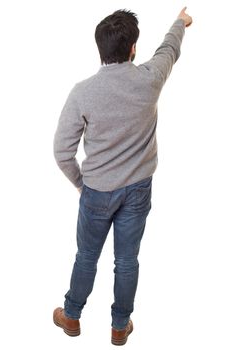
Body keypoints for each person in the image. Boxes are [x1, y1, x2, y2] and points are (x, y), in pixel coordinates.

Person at [53, 7, 192, 346]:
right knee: (127, 260)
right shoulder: (150, 78)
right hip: (138, 189)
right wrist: (180, 22)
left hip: (97, 192)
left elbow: (62, 151)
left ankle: (71, 316)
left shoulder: (82, 92)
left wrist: (81, 184)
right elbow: (168, 50)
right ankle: (119, 326)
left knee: (86, 256)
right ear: (132, 48)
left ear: (100, 49)